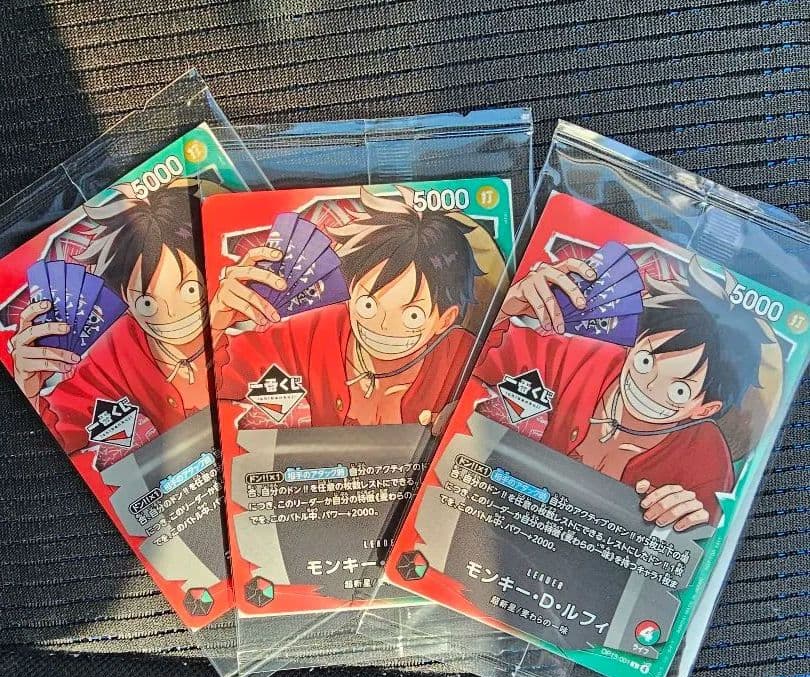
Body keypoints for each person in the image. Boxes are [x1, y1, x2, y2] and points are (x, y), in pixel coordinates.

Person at [475, 253, 771, 530]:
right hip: (498, 515)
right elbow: (483, 358)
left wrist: (687, 521)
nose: (648, 386)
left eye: (679, 390)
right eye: (645, 361)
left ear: (704, 409)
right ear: (634, 343)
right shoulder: (582, 359)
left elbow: (703, 544)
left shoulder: (705, 457)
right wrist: (506, 307)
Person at [9, 183, 268, 454]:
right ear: (125, 300)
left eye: (191, 290)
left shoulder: (255, 325)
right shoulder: (111, 358)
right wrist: (29, 393)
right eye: (147, 303)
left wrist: (218, 331)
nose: (172, 314)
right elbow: (64, 437)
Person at [213, 188, 484, 427]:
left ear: (445, 320)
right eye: (368, 304)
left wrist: (471, 421)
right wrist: (215, 322)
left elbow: (498, 411)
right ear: (349, 290)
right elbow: (217, 385)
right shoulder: (310, 332)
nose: (382, 325)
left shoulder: (465, 356)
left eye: (413, 315)